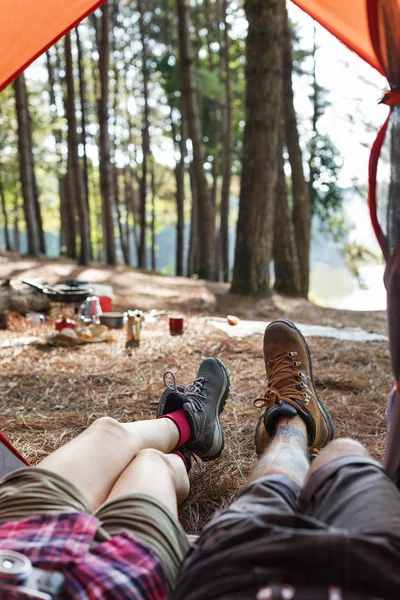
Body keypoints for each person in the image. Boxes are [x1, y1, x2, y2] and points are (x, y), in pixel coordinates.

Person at [175, 319, 400, 600]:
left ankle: (287, 422)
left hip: (239, 566)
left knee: (333, 455)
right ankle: (300, 420)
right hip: (379, 573)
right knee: (345, 450)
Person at [0, 356, 230, 599]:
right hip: (108, 585)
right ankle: (180, 452)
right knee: (151, 461)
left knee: (107, 430)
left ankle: (191, 425)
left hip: (10, 539)